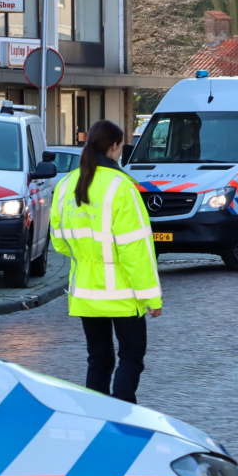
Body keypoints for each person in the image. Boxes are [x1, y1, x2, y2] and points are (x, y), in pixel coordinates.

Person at [51, 120, 161, 404]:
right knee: (131, 356)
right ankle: (124, 413)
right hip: (123, 293)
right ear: (114, 147)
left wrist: (86, 258)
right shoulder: (122, 187)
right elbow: (134, 249)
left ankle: (97, 417)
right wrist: (151, 296)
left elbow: (59, 241)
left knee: (98, 358)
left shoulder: (66, 185)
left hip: (85, 292)